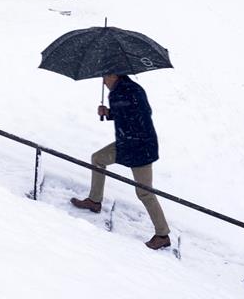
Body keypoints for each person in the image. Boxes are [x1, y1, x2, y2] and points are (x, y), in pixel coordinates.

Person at [70, 74, 171, 250]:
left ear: (114, 75)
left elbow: (141, 114)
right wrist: (109, 113)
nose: (103, 81)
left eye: (105, 77)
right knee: (98, 159)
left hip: (141, 148)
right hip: (127, 144)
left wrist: (115, 112)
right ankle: (94, 201)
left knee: (144, 192)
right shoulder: (121, 91)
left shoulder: (130, 92)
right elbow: (126, 113)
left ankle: (162, 235)